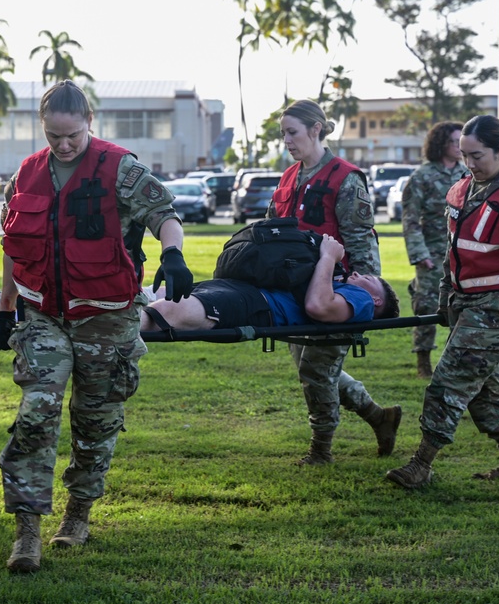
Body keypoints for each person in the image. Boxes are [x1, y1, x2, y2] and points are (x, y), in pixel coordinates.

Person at [0, 80, 194, 573]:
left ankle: (78, 512)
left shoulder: (119, 168)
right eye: (53, 135)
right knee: (37, 411)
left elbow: (165, 214)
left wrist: (173, 254)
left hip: (106, 316)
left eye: (72, 136)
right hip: (43, 315)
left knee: (95, 421)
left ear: (89, 124)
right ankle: (27, 531)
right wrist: (5, 309)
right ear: (43, 128)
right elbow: (16, 247)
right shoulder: (27, 174)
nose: (62, 145)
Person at [387, 115, 499, 489]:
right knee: (487, 385)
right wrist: (444, 297)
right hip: (464, 302)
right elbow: (452, 253)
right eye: (464, 155)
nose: (470, 164)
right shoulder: (461, 191)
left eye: (478, 156)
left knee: (449, 381)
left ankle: (421, 465)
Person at [267, 99, 401, 465]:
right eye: (283, 134)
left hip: (335, 293)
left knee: (317, 369)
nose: (287, 141)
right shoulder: (288, 177)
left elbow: (361, 243)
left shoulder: (346, 178)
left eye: (292, 133)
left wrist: (363, 297)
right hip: (295, 291)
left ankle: (321, 450)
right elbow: (272, 230)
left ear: (316, 129)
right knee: (311, 369)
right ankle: (379, 416)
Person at [139, 234, 400, 332]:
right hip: (242, 288)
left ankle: (115, 329)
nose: (357, 275)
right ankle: (109, 314)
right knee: (157, 293)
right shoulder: (342, 285)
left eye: (367, 279)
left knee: (168, 311)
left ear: (377, 299)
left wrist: (329, 256)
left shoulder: (363, 302)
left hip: (258, 305)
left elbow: (318, 307)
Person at [400, 121, 468, 378]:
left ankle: (455, 363)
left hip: (462, 255)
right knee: (426, 307)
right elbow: (410, 220)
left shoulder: (467, 175)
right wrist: (420, 255)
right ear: (441, 144)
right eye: (455, 142)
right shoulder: (422, 177)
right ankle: (423, 362)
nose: (460, 147)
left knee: (462, 307)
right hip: (431, 256)